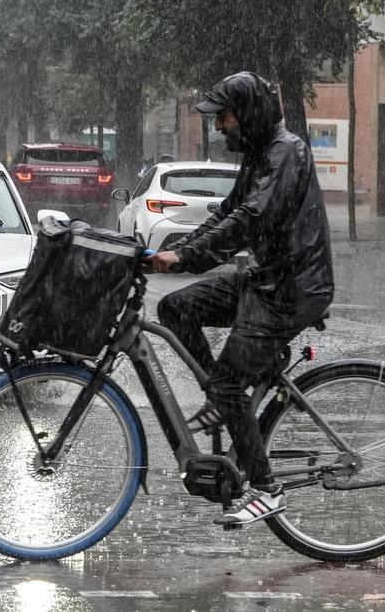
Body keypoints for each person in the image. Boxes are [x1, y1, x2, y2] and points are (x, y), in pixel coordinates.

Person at [146, 71, 334, 527]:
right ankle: (224, 399)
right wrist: (172, 252)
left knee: (230, 383)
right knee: (175, 308)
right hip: (263, 279)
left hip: (292, 288)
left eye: (223, 117)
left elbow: (252, 218)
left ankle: (266, 488)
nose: (218, 127)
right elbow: (229, 213)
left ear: (247, 113)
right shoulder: (256, 155)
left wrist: (188, 256)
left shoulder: (287, 151)